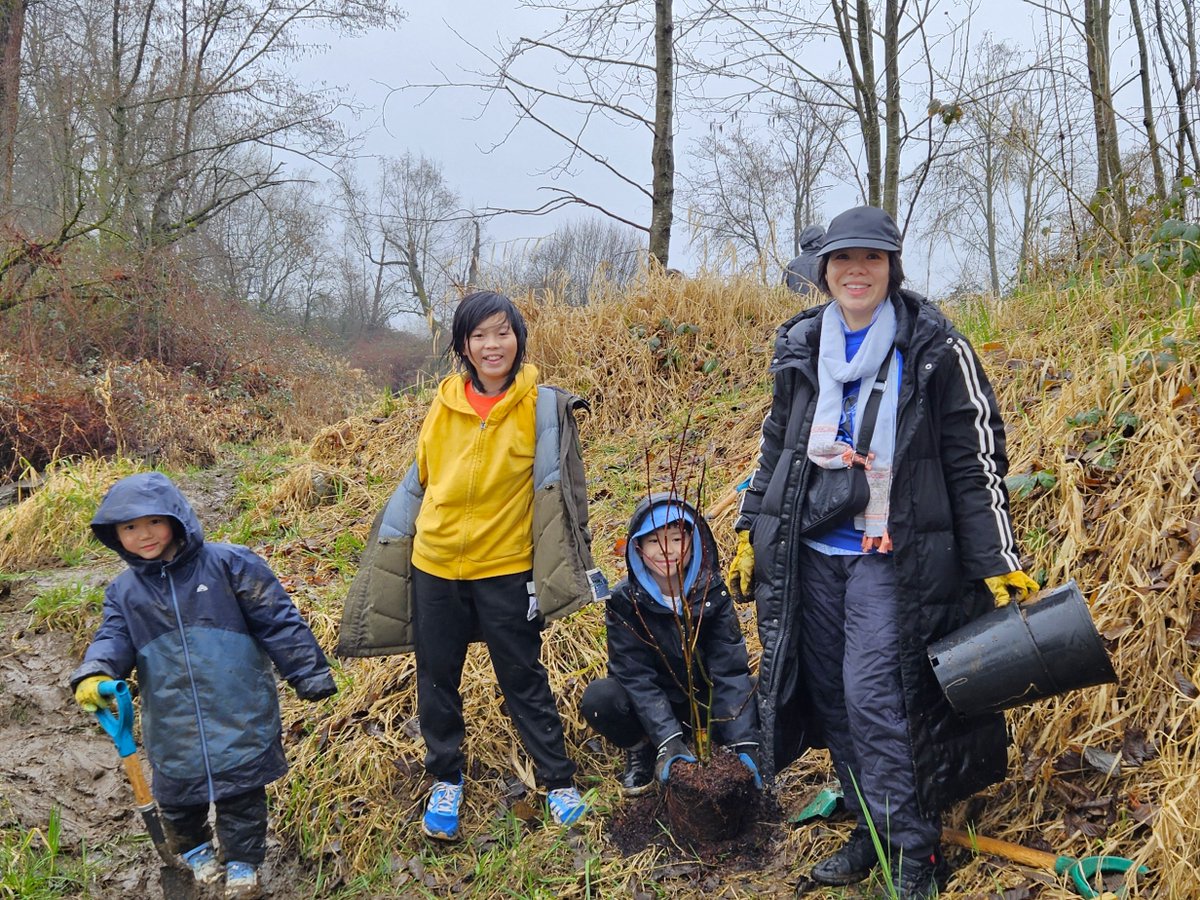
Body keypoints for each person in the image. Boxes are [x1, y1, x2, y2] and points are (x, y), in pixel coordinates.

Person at [726, 206, 1038, 899]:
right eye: (843, 260)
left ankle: (916, 849)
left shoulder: (932, 347)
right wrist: (751, 528)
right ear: (825, 271)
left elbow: (974, 456)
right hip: (812, 550)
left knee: (878, 699)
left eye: (871, 258)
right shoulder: (804, 347)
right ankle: (870, 825)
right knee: (833, 698)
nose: (856, 271)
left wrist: (999, 555)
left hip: (890, 555)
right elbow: (775, 449)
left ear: (893, 266)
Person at [337, 290, 596, 842]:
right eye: (478, 335)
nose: (491, 345)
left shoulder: (540, 407)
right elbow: (427, 475)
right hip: (435, 563)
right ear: (462, 346)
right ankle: (445, 779)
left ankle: (557, 780)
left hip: (505, 566)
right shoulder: (444, 402)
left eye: (502, 332)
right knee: (436, 676)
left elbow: (565, 494)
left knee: (523, 677)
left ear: (518, 339)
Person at [70, 471, 336, 900]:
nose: (145, 535)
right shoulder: (124, 591)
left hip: (238, 707)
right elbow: (112, 638)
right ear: (115, 536)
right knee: (176, 797)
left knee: (241, 796)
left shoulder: (231, 564)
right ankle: (194, 853)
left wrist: (308, 672)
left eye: (154, 521)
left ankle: (243, 864)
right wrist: (96, 671)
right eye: (130, 527)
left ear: (176, 518)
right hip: (172, 719)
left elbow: (277, 619)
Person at [581, 493, 761, 795]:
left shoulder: (712, 593)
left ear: (694, 541)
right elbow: (635, 677)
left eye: (676, 539)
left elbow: (729, 670)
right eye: (653, 541)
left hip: (704, 703)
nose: (666, 550)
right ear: (638, 548)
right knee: (601, 699)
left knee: (762, 689)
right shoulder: (625, 601)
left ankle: (726, 744)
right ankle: (644, 748)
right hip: (652, 704)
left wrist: (743, 741)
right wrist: (667, 737)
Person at [782, 225, 826, 295]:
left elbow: (783, 294)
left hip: (795, 305)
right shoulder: (827, 263)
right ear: (822, 239)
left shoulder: (791, 266)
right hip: (823, 305)